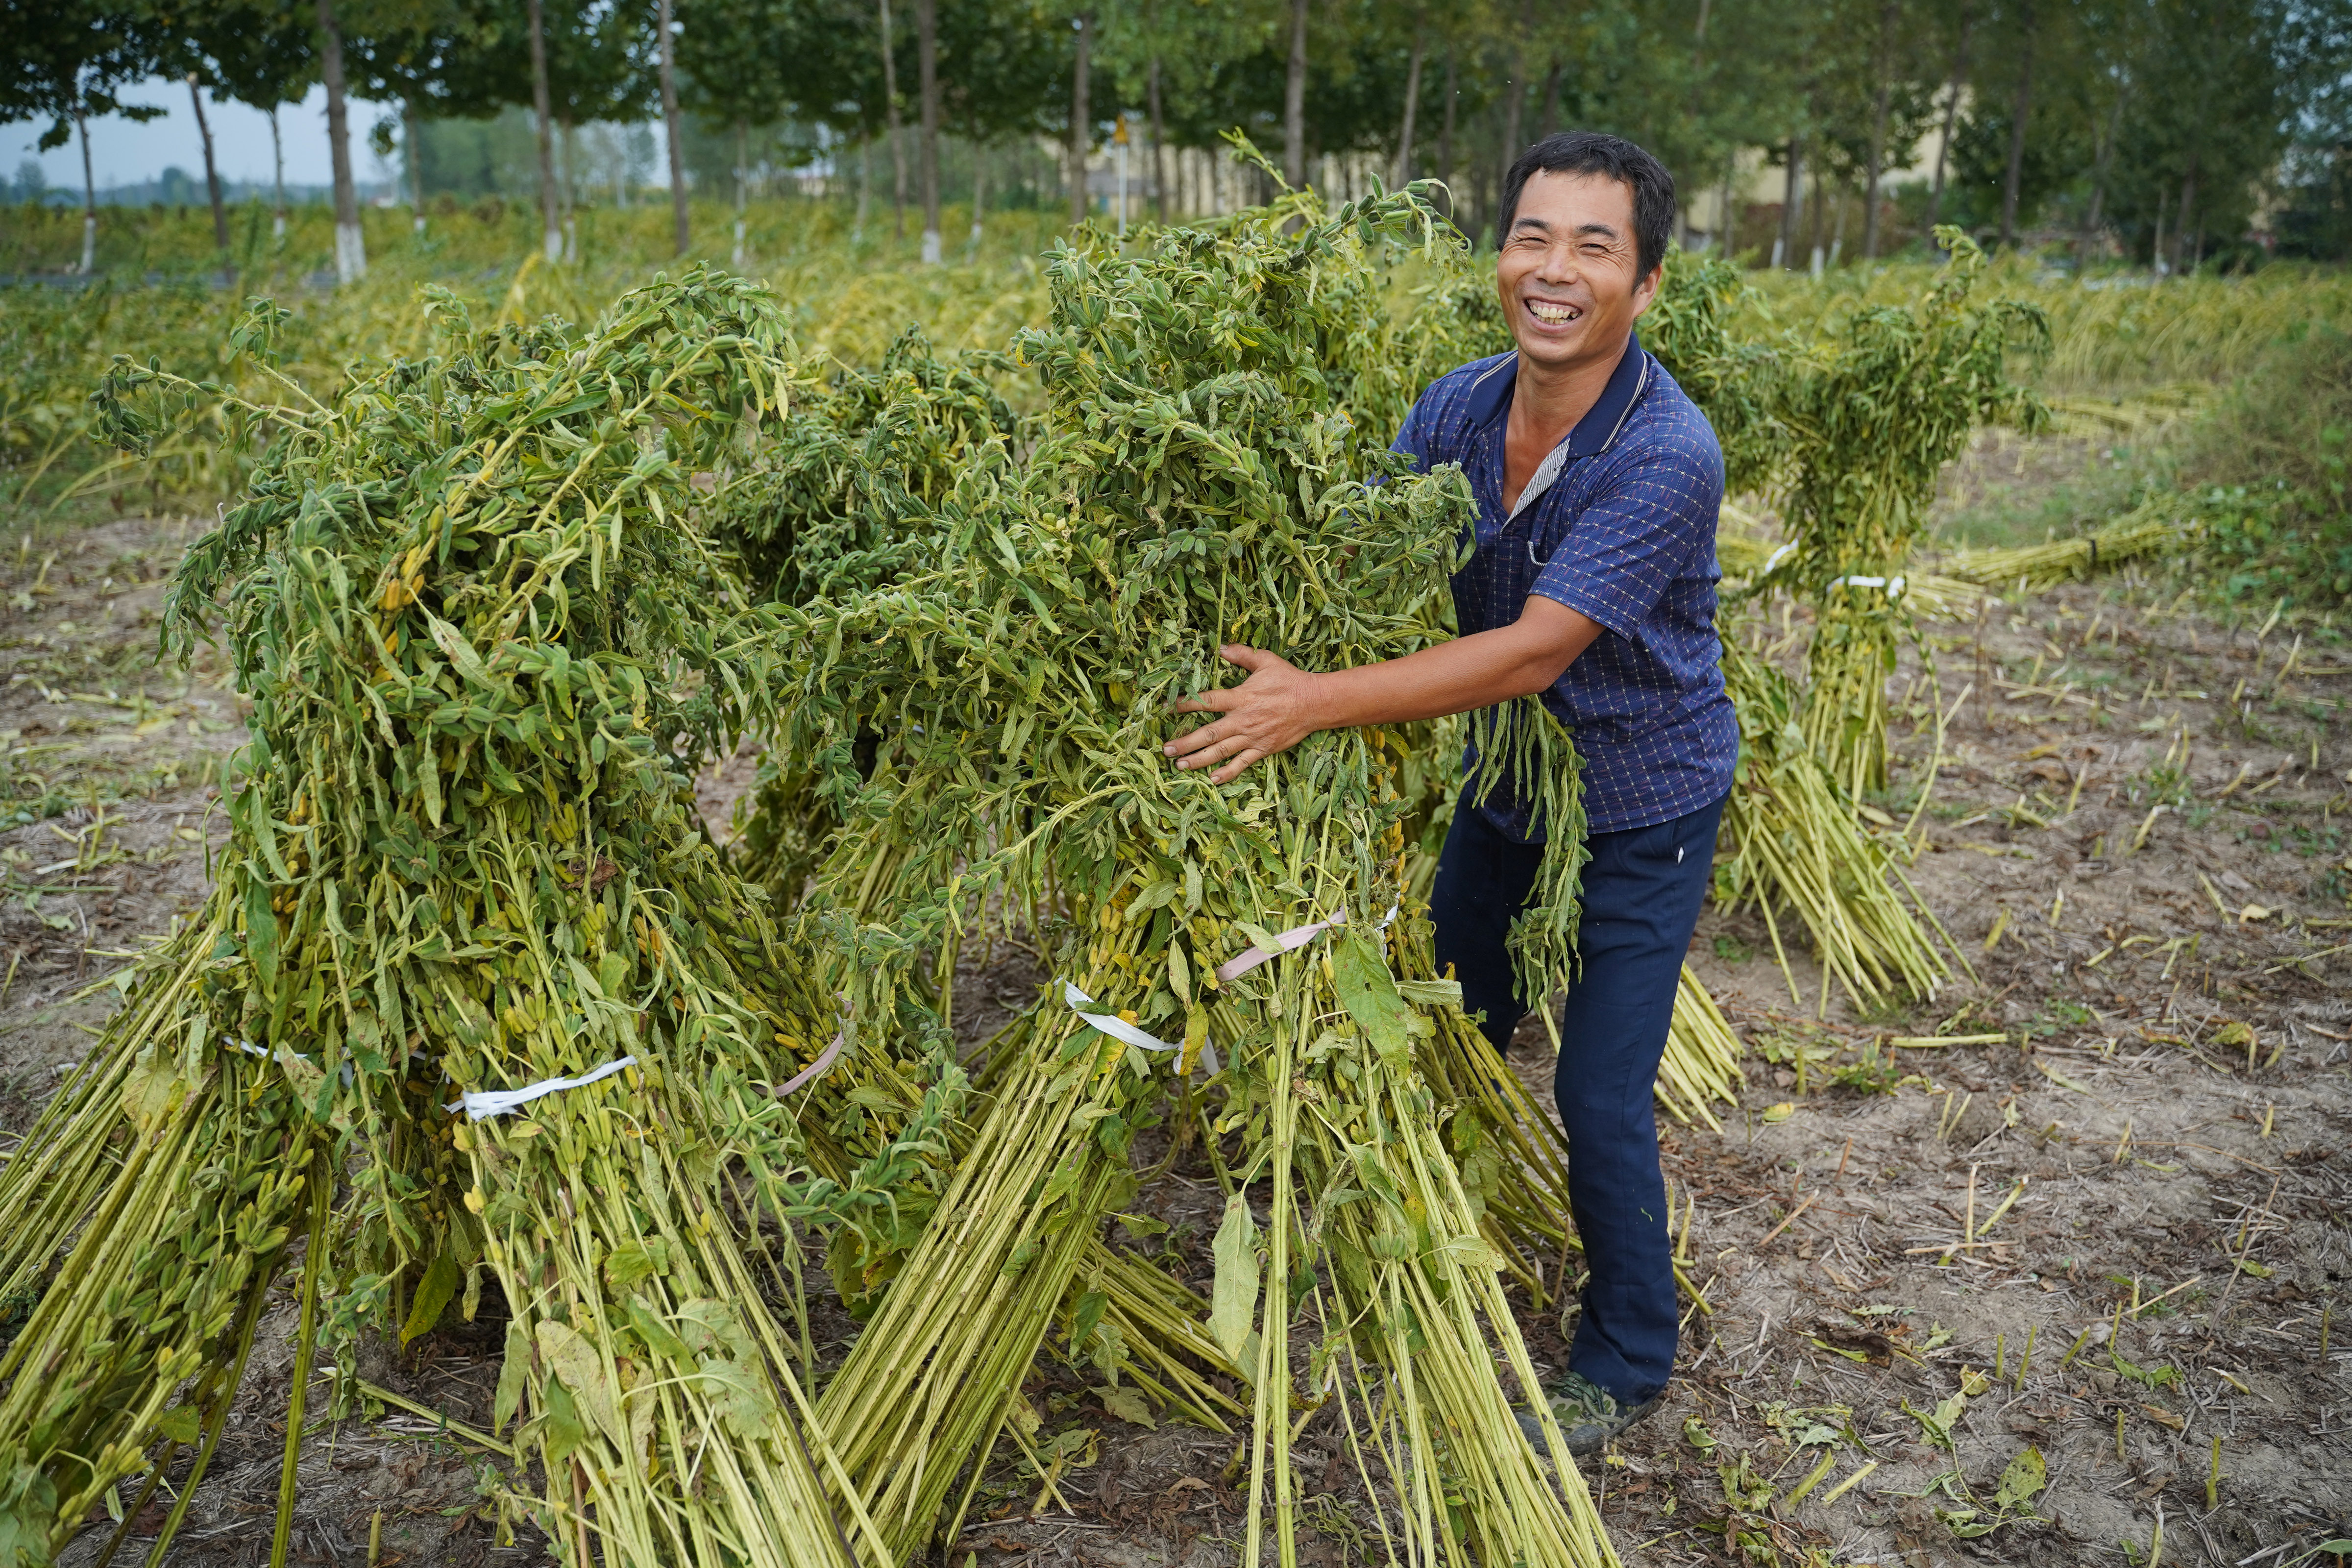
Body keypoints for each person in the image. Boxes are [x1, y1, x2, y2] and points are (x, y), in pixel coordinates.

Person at [1160, 130, 1735, 1456]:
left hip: (1640, 806)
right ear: (1501, 257)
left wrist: (1311, 702)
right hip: (1508, 789)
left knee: (1598, 1093)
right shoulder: (1457, 407)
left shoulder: (1666, 453)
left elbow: (1536, 647)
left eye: (1596, 246)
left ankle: (1629, 1353)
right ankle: (1437, 1239)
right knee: (1453, 1023)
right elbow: (1368, 554)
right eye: (1534, 236)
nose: (1555, 268)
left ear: (1645, 287)